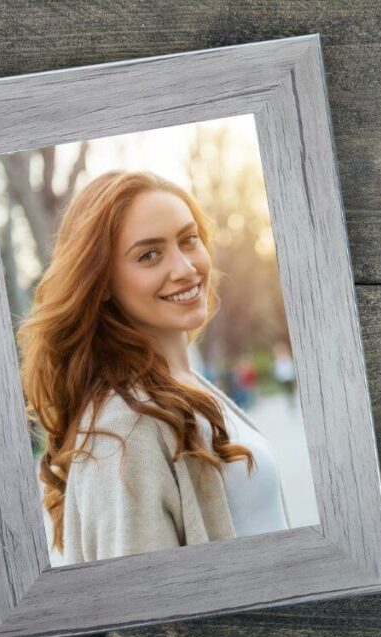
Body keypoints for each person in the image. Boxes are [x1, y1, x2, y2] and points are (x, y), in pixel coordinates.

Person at [18, 170, 290, 565]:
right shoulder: (126, 429)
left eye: (188, 239)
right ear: (103, 281)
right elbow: (141, 615)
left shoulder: (184, 385)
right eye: (149, 255)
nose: (184, 268)